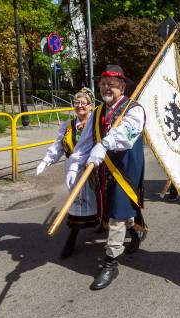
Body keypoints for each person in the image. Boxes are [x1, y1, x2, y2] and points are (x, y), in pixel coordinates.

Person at [66, 65, 146, 290]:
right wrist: (75, 163)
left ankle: (111, 262)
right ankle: (135, 231)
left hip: (125, 169)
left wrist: (106, 144)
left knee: (117, 213)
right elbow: (86, 142)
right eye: (102, 83)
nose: (105, 87)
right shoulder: (99, 112)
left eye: (110, 84)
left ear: (122, 86)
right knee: (111, 208)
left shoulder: (134, 109)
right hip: (104, 169)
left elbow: (128, 133)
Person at [36, 88, 98, 258]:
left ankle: (131, 230)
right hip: (72, 170)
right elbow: (58, 146)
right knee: (76, 204)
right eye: (76, 103)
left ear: (91, 105)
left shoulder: (96, 123)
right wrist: (46, 160)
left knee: (104, 202)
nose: (79, 106)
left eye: (83, 103)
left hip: (93, 170)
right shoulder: (68, 125)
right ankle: (71, 239)